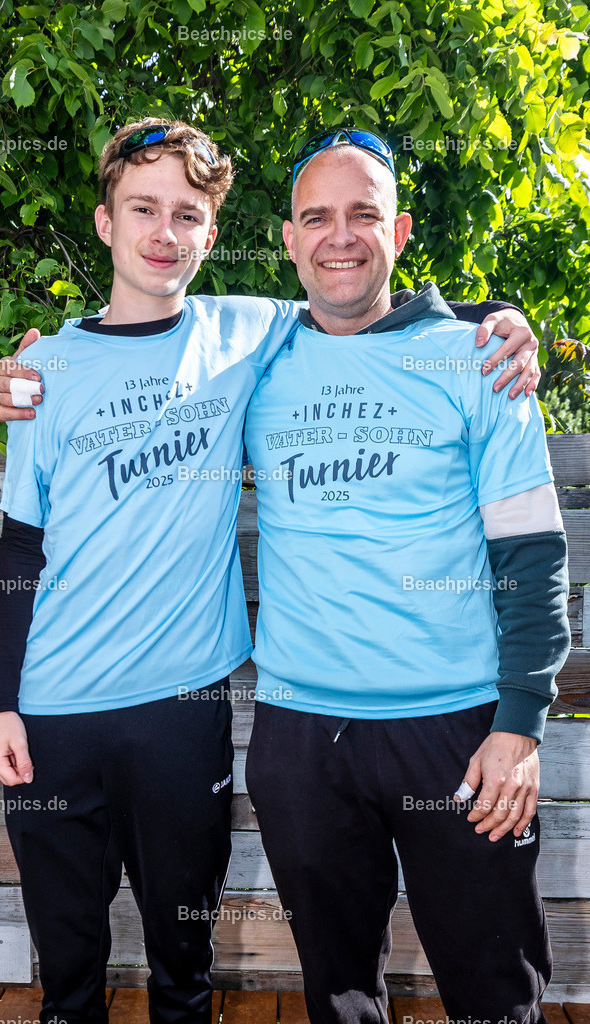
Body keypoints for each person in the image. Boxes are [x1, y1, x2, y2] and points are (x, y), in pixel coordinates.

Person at [0, 118, 544, 1024]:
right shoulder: (90, 365)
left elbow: (376, 309)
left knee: (199, 967)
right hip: (161, 722)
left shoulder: (275, 335)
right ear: (103, 222)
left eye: (187, 215)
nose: (165, 234)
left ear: (213, 233)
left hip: (305, 718)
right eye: (143, 209)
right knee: (97, 974)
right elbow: (22, 541)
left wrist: (499, 321)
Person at [243, 129, 571, 1024]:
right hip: (300, 738)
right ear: (286, 237)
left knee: (493, 992)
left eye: (364, 215)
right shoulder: (251, 361)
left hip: (457, 733)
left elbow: (533, 553)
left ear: (402, 229)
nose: (339, 237)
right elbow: (141, 347)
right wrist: (19, 377)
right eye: (317, 217)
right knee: (339, 997)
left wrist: (519, 724)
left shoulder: (479, 359)